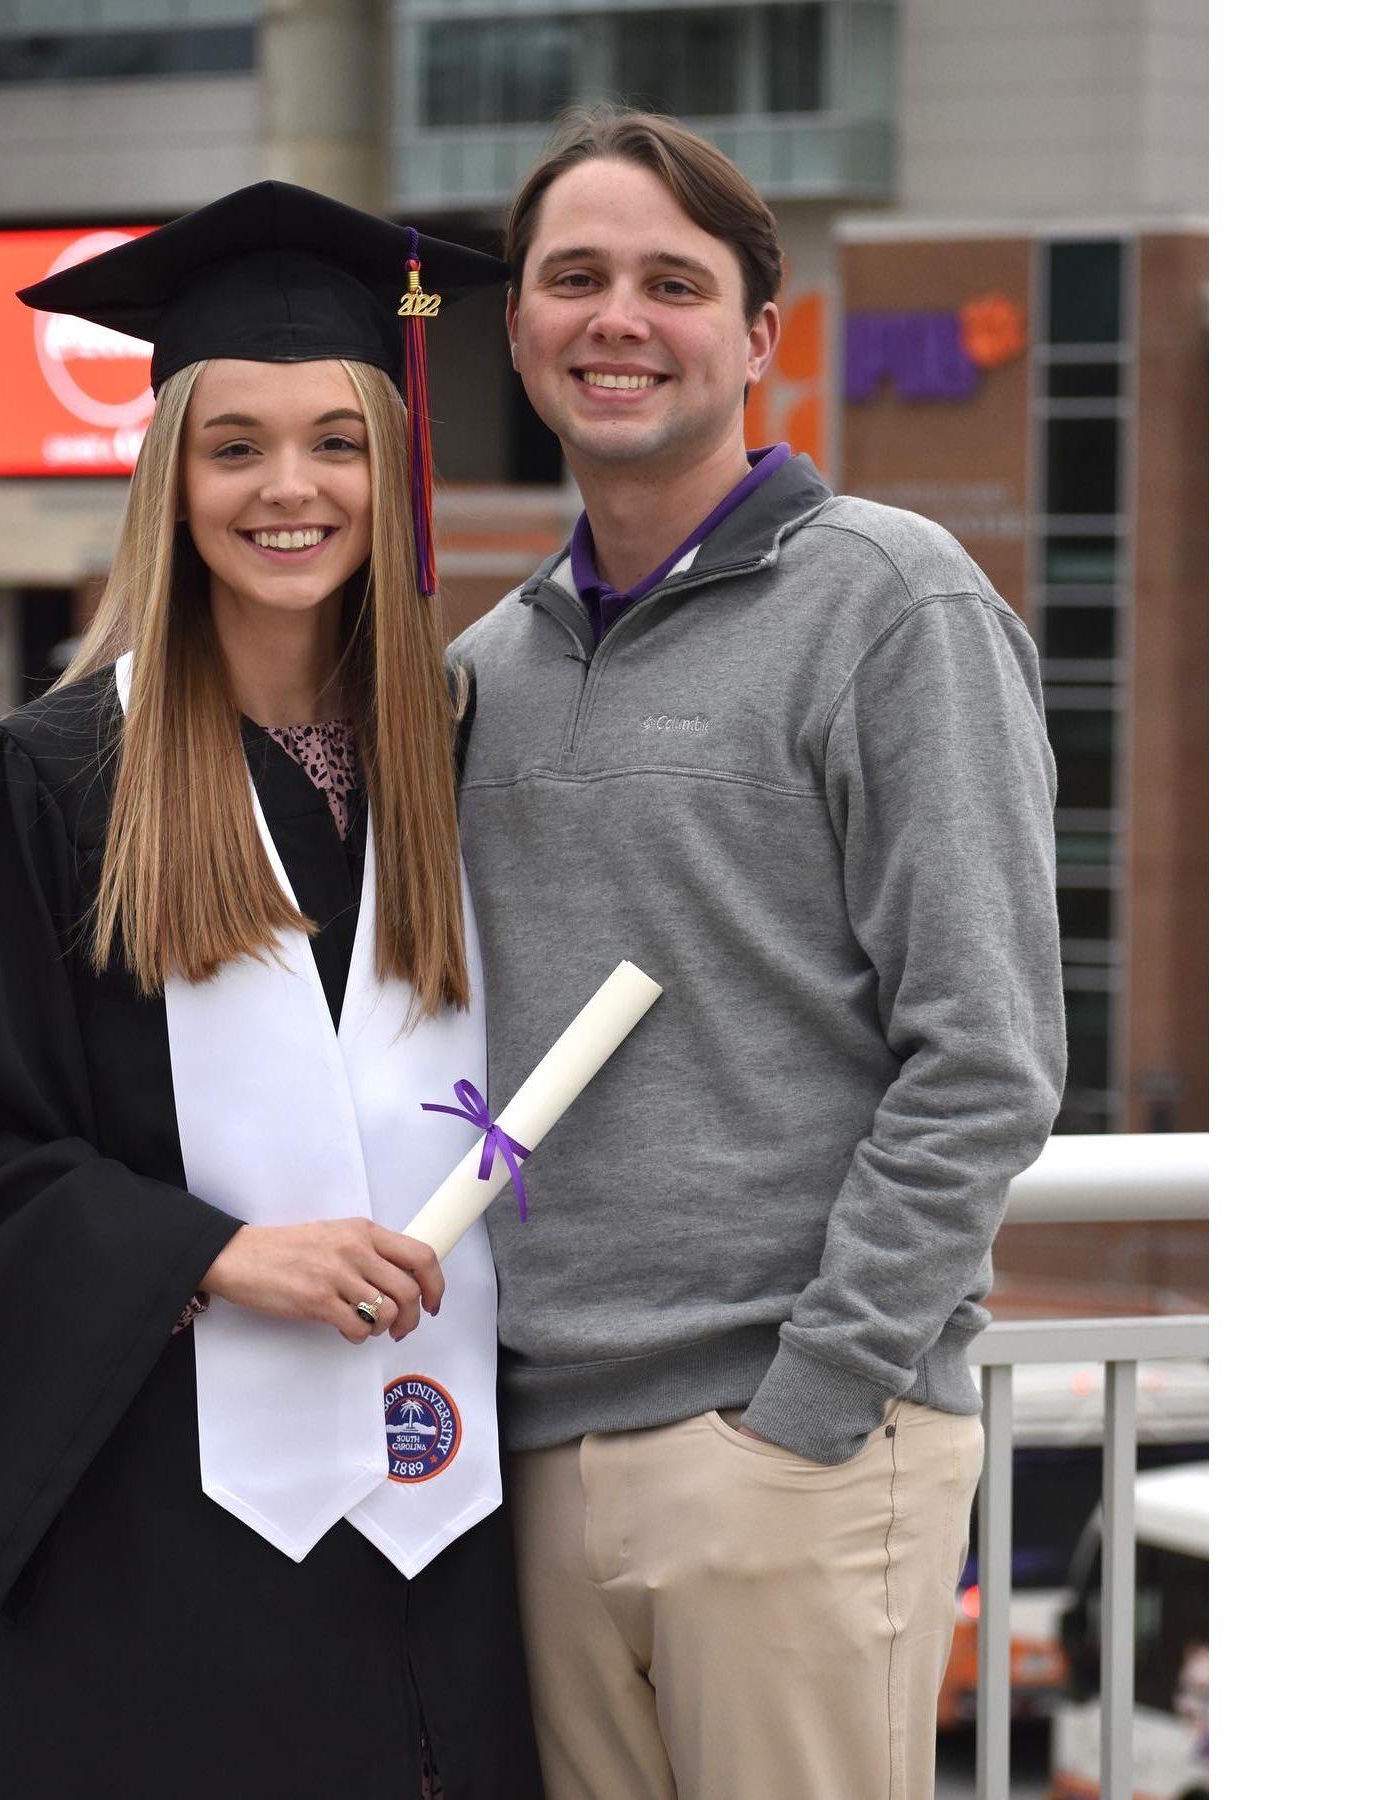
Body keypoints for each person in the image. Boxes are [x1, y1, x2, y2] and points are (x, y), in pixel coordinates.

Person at [0, 182, 543, 1800]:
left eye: (337, 442)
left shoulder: (476, 761)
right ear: (170, 481)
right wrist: (207, 1252)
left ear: (390, 463)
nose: (291, 489)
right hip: (161, 1558)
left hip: (455, 1558)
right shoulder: (55, 786)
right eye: (236, 447)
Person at [450, 107, 1067, 1800]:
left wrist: (808, 1408)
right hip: (534, 1458)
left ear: (758, 335)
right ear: (519, 329)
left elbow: (990, 1054)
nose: (617, 318)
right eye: (574, 279)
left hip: (791, 1447)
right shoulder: (484, 672)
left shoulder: (891, 604)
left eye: (671, 280)